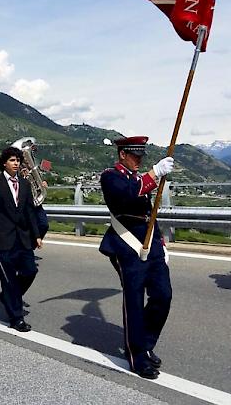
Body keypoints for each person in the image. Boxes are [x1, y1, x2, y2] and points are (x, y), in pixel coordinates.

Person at [99, 136, 174, 380]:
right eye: (135, 156)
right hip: (127, 245)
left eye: (142, 156)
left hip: (150, 244)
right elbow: (128, 196)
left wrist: (161, 244)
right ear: (123, 154)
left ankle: (147, 342)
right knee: (134, 300)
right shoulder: (111, 176)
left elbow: (148, 214)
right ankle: (137, 356)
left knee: (163, 295)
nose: (139, 160)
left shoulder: (139, 179)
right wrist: (154, 173)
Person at [0, 146, 42, 332]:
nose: (16, 163)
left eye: (18, 160)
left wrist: (37, 234)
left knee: (30, 271)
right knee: (8, 279)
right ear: (4, 163)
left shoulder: (25, 184)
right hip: (3, 238)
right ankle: (16, 318)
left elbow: (29, 211)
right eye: (12, 160)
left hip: (23, 237)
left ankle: (9, 296)